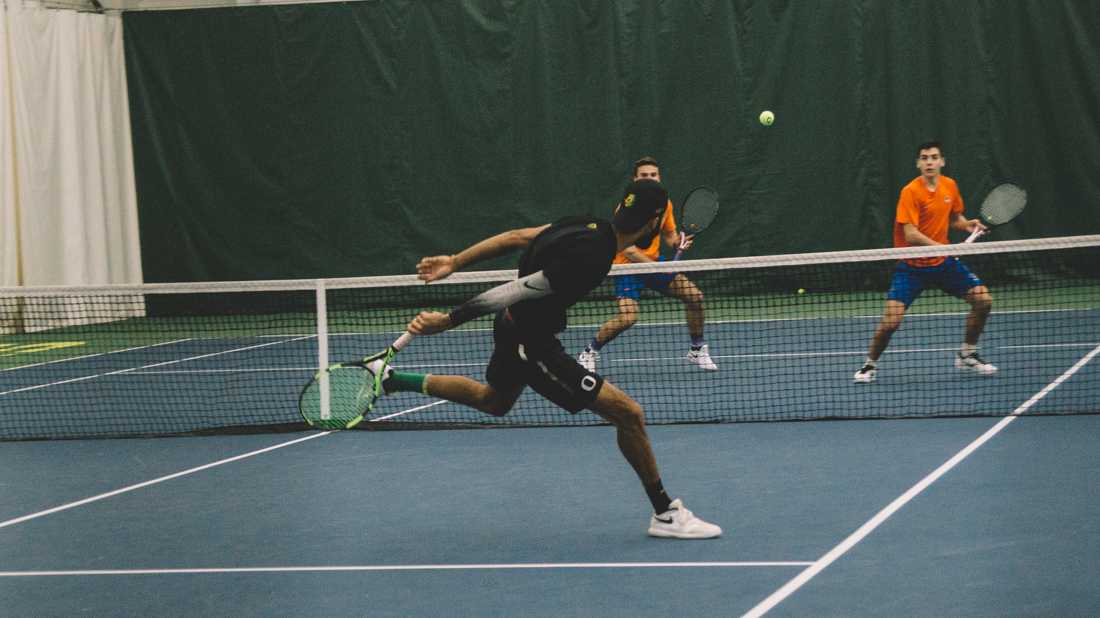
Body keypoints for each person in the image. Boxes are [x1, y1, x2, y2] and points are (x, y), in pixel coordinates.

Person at [368, 179, 721, 539]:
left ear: (619, 209)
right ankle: (665, 513)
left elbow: (516, 236)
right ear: (655, 223)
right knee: (629, 415)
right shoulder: (593, 258)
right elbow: (517, 290)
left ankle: (392, 379)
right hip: (532, 343)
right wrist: (448, 320)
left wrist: (455, 261)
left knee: (494, 401)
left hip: (511, 327)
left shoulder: (587, 224)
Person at [854, 141, 997, 383]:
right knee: (891, 322)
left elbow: (954, 218)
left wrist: (967, 224)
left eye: (933, 157)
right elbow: (910, 234)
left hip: (943, 264)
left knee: (983, 301)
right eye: (924, 158)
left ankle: (968, 353)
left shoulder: (950, 186)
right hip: (912, 268)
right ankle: (869, 365)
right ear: (918, 163)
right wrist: (944, 247)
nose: (929, 162)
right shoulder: (910, 192)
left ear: (942, 161)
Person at [577, 157, 717, 372]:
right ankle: (589, 351)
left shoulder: (665, 204)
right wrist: (657, 267)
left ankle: (696, 349)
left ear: (659, 177)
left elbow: (669, 235)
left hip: (653, 263)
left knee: (695, 297)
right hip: (627, 267)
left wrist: (677, 242)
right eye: (644, 175)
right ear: (635, 179)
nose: (649, 178)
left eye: (653, 175)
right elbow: (627, 249)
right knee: (628, 317)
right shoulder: (626, 208)